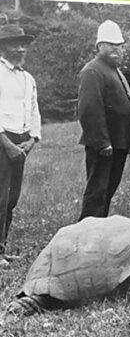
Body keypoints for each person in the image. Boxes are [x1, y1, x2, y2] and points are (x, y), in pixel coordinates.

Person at [77, 20, 130, 220]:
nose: (116, 48)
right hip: (104, 145)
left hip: (119, 143)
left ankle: (99, 231)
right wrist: (102, 142)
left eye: (119, 45)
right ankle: (86, 235)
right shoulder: (92, 70)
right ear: (98, 46)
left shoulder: (114, 70)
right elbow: (89, 110)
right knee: (97, 193)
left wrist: (127, 141)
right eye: (110, 44)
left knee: (107, 192)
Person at [0, 24, 41, 266]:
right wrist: (6, 144)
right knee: (0, 197)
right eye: (16, 43)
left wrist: (32, 140)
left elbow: (34, 109)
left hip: (21, 141)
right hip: (2, 140)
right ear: (4, 46)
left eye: (24, 44)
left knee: (12, 197)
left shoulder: (27, 78)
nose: (22, 48)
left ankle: (2, 247)